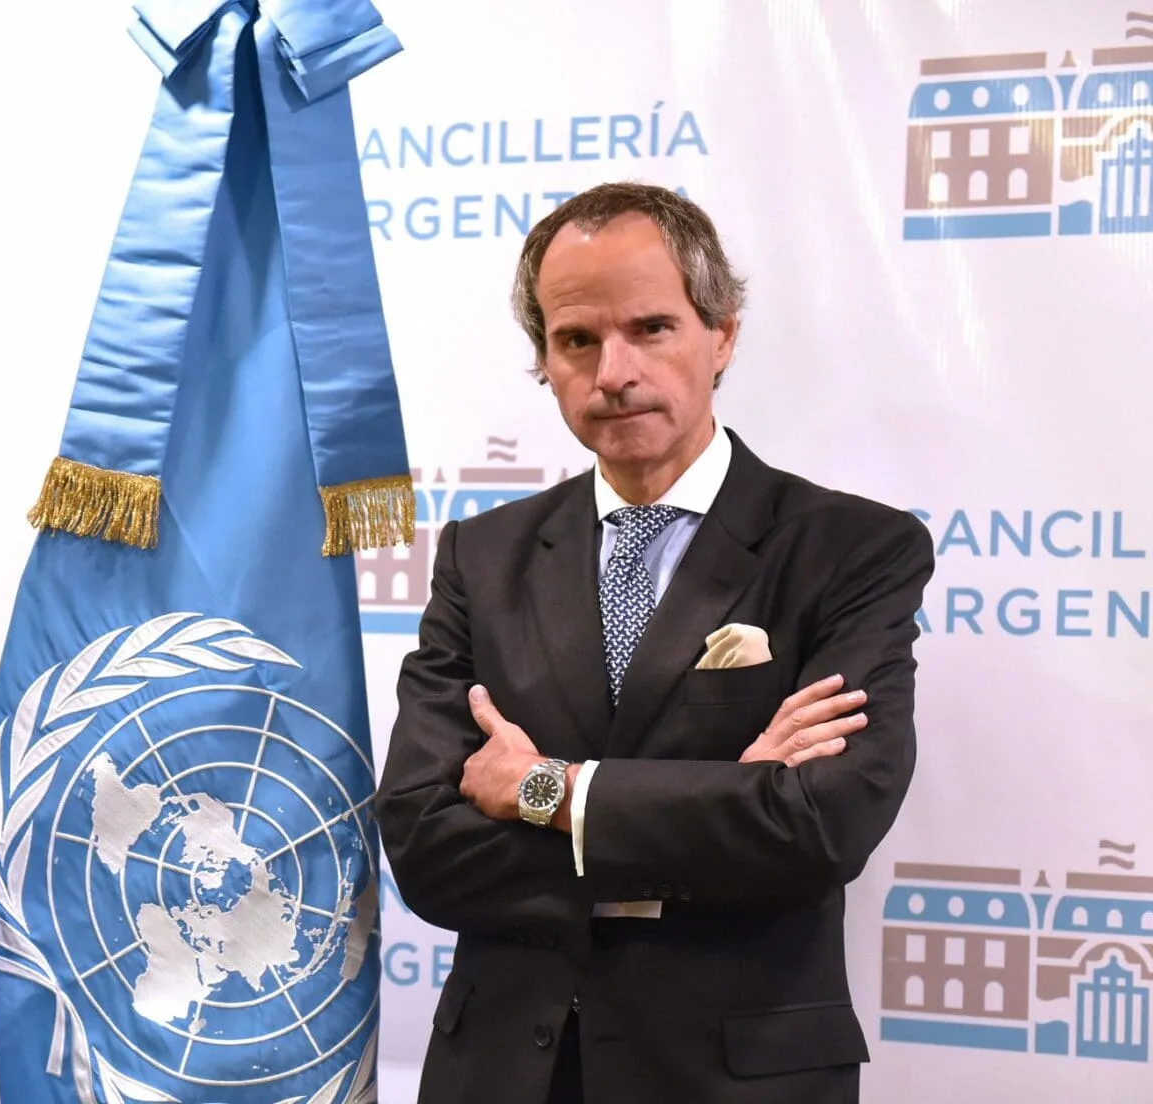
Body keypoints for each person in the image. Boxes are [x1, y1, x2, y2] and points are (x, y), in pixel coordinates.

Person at [375, 182, 935, 1103]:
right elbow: (425, 845)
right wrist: (721, 807)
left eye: (651, 328)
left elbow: (818, 826)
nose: (614, 371)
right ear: (543, 358)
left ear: (723, 334)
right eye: (577, 340)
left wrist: (546, 791)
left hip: (733, 1080)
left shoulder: (851, 550)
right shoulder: (483, 555)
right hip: (506, 1074)